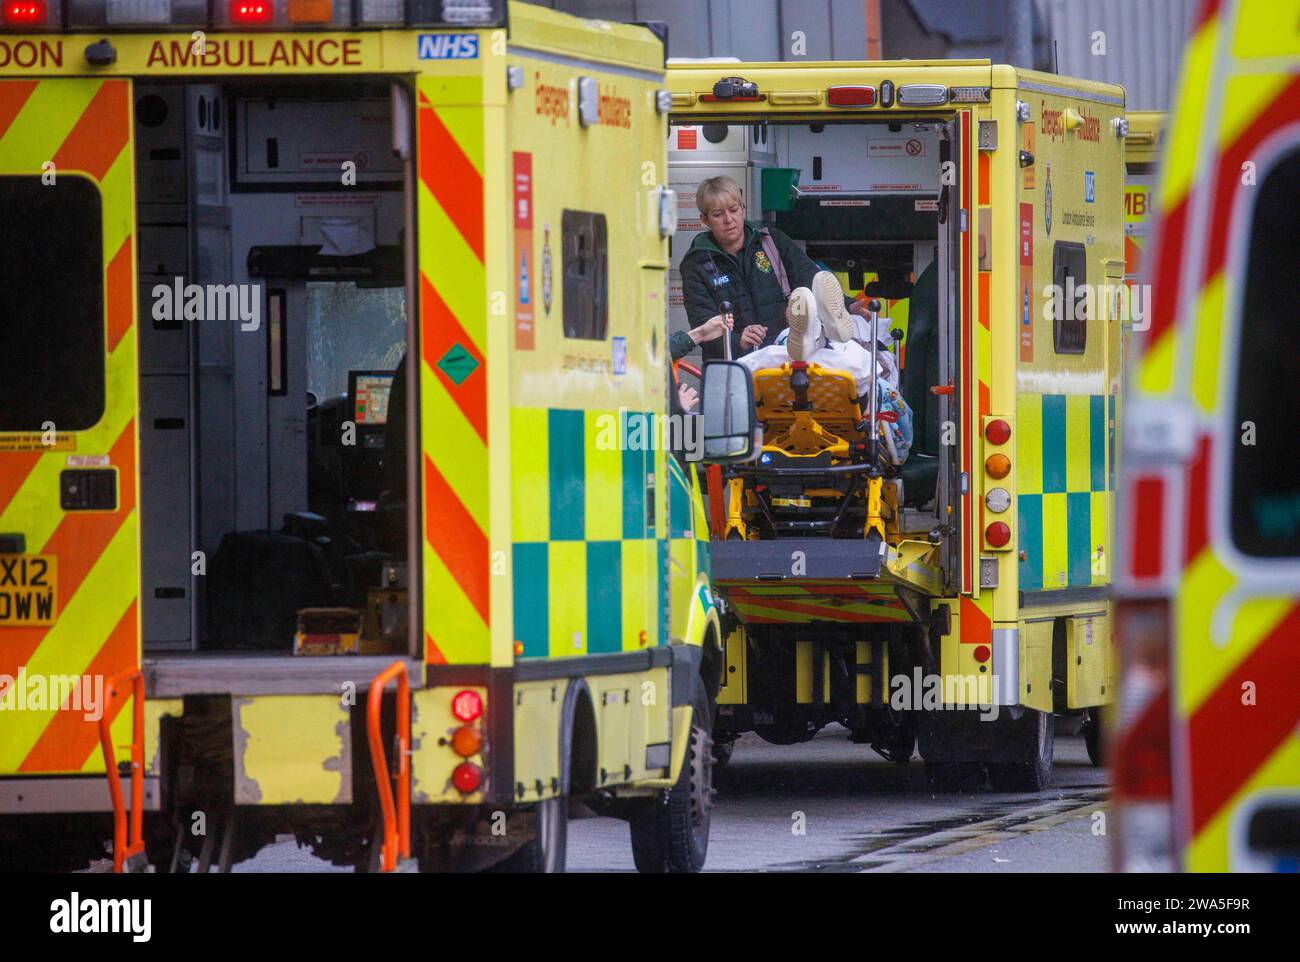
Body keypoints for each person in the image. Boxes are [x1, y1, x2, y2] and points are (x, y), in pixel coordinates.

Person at [679, 175, 867, 359]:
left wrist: (847, 305)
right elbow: (702, 325)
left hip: (784, 353)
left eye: (733, 209)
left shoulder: (771, 240)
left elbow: (809, 276)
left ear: (743, 207)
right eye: (718, 214)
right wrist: (738, 341)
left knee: (812, 293)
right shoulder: (696, 264)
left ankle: (814, 332)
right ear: (704, 219)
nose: (728, 219)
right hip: (735, 364)